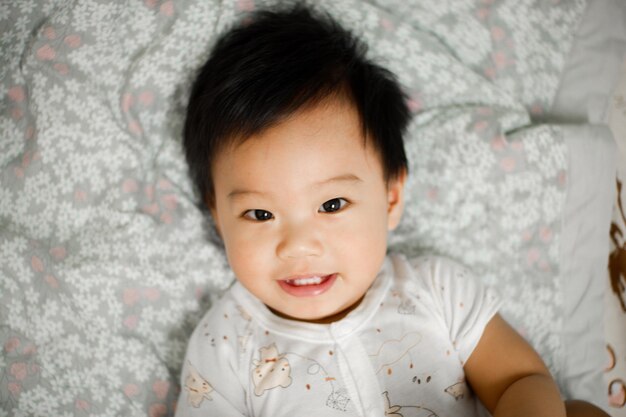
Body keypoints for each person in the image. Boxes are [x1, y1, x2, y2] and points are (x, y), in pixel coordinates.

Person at [176, 4, 609, 416]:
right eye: (260, 214)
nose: (298, 246)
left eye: (331, 204)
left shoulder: (437, 293)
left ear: (390, 200)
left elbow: (521, 379)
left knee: (581, 412)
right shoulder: (224, 346)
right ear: (217, 215)